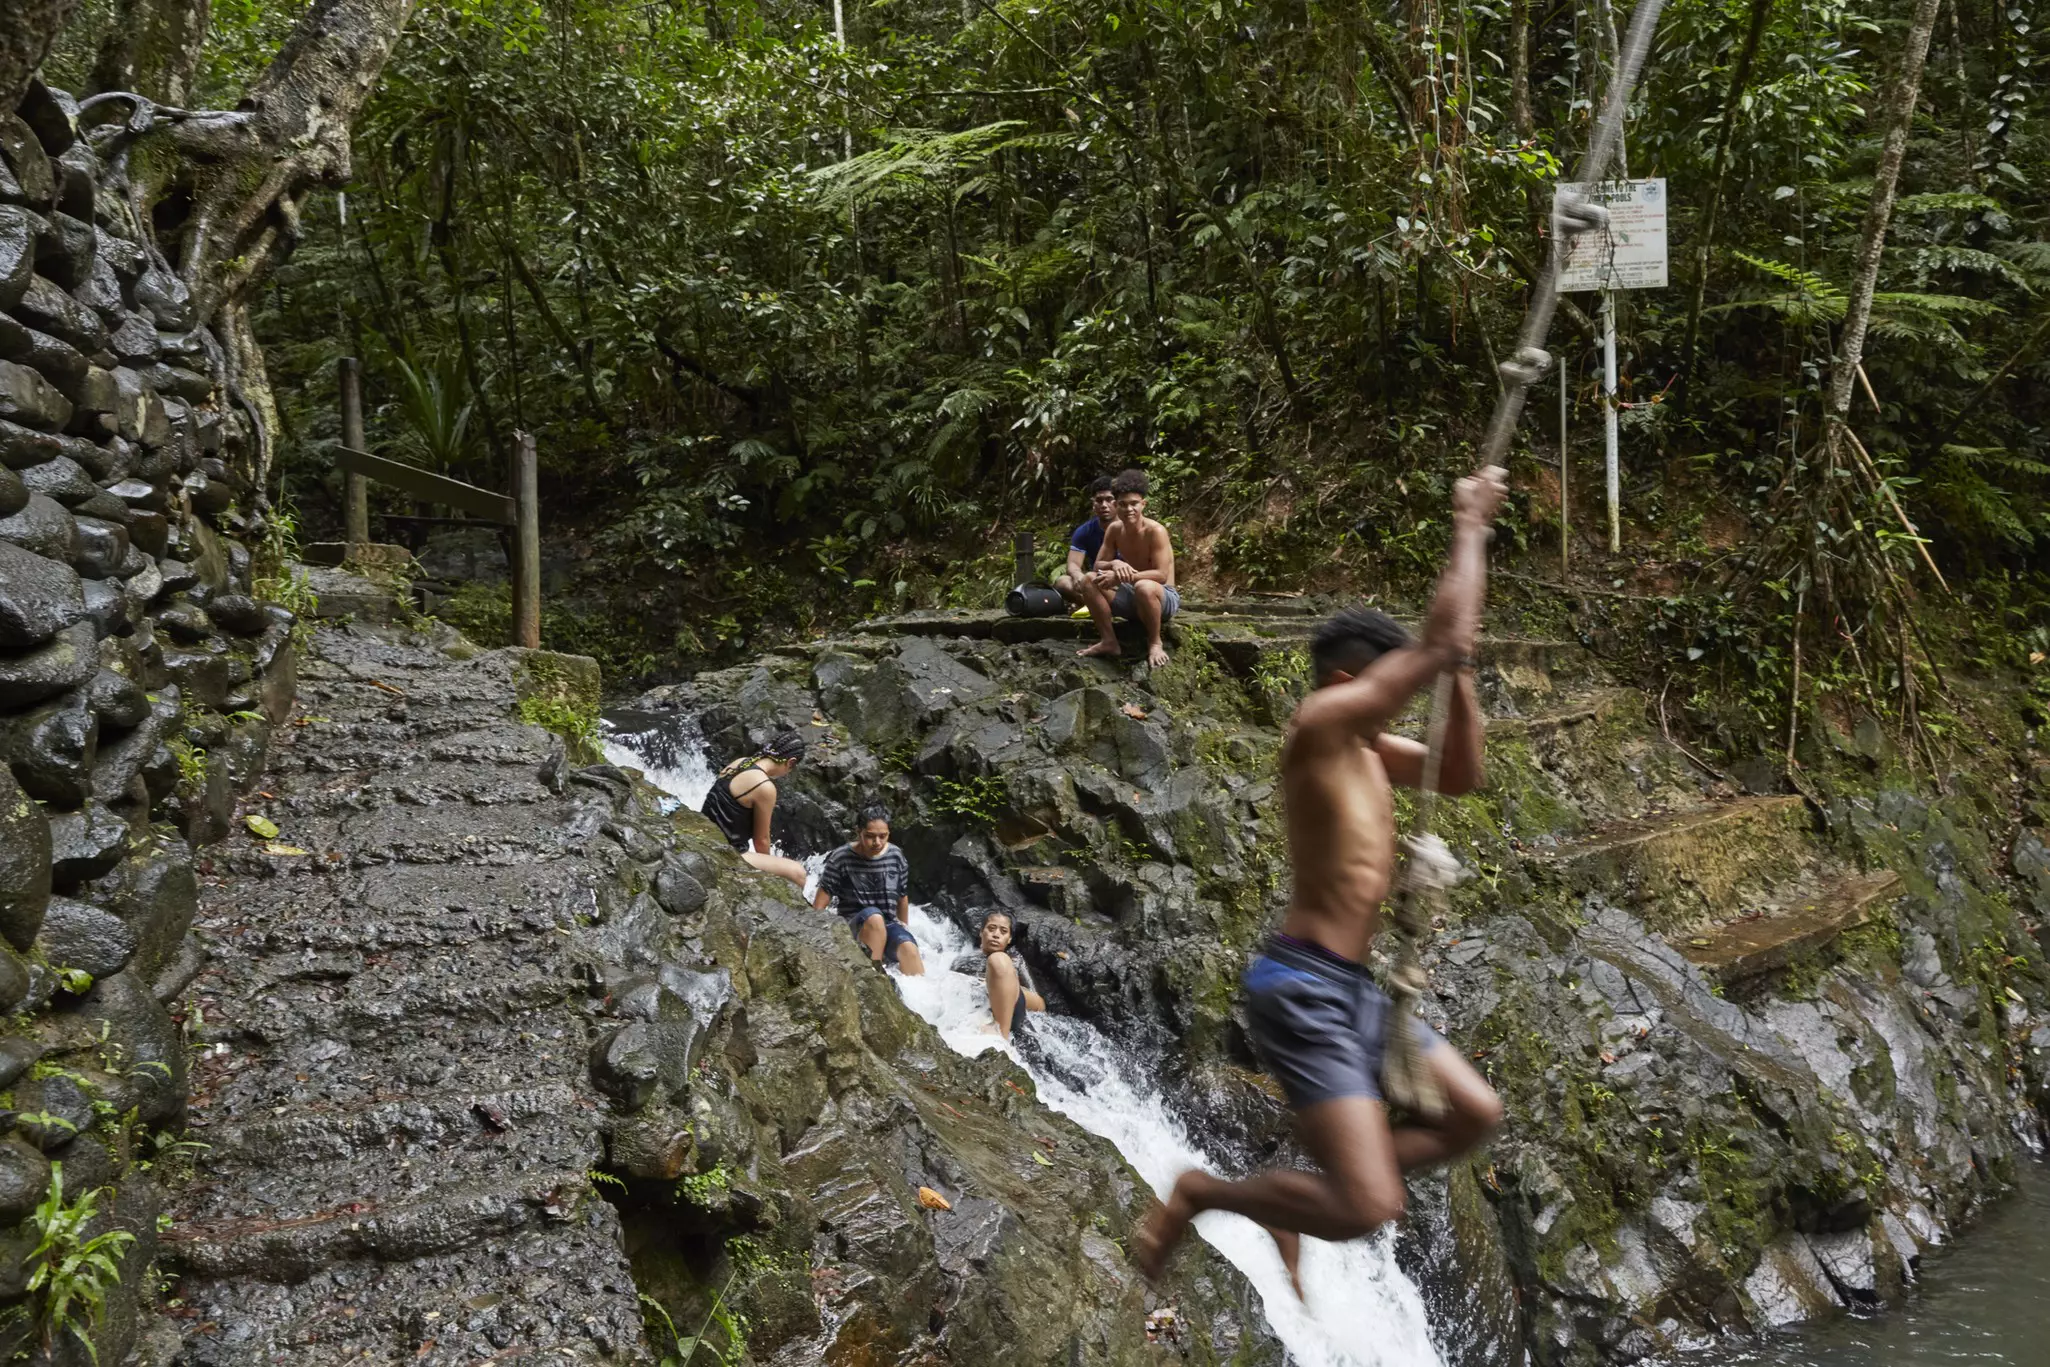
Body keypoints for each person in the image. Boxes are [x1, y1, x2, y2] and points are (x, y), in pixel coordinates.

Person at [1135, 466, 1511, 1294]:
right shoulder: (1321, 728)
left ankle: (1319, 1181)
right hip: (1300, 983)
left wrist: (1464, 675)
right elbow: (1440, 642)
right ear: (1350, 683)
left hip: (1355, 985)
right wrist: (1469, 523)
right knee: (1368, 1206)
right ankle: (1211, 1194)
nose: (1396, 705)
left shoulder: (1374, 749)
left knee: (1475, 1113)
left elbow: (1461, 771)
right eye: (1387, 688)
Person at [1076, 468, 1179, 668]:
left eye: (1134, 504)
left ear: (1143, 505)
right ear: (1116, 505)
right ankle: (1109, 641)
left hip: (1162, 595)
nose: (1128, 509)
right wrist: (1115, 563)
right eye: (1123, 504)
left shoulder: (1155, 531)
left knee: (1144, 587)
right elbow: (1098, 565)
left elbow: (1161, 574)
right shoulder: (1114, 530)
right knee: (1088, 579)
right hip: (1132, 595)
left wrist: (1120, 578)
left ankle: (1155, 642)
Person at [814, 805, 925, 975]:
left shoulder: (896, 856)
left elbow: (902, 898)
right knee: (874, 917)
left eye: (883, 836)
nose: (877, 843)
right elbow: (820, 903)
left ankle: (919, 999)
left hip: (888, 924)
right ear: (859, 832)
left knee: (909, 948)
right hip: (853, 926)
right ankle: (875, 979)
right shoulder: (841, 857)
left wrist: (904, 928)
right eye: (870, 836)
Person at [699, 730, 809, 888]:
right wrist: (769, 876)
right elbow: (761, 841)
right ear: (790, 762)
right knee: (798, 873)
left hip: (706, 836)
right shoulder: (764, 787)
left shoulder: (740, 762)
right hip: (725, 850)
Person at [950, 910, 1044, 1040]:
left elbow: (1039, 1003)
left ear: (1009, 938)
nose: (996, 935)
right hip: (973, 1010)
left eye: (1003, 931)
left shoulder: (1015, 960)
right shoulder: (961, 961)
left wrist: (1001, 987)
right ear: (981, 932)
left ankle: (1000, 1033)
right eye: (991, 929)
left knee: (999, 960)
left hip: (1012, 1008)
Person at [1054, 476, 1117, 612]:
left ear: (1118, 501)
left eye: (1109, 499)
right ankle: (1100, 606)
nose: (1104, 505)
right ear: (1093, 504)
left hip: (1123, 582)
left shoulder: (1130, 528)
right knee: (1063, 582)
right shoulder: (1085, 531)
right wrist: (1078, 576)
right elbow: (1073, 564)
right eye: (1099, 500)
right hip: (1098, 582)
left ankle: (1100, 607)